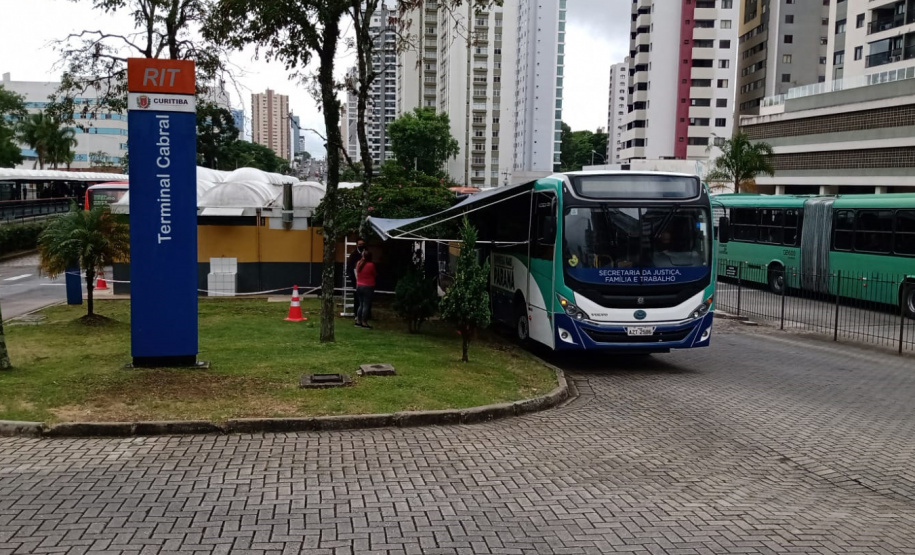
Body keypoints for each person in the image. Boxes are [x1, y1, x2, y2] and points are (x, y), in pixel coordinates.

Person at [355, 251, 376, 329]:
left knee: (361, 304)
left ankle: (358, 321)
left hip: (359, 285)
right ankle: (364, 322)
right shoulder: (371, 265)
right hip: (368, 286)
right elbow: (374, 274)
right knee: (366, 305)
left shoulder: (358, 263)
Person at [347, 238, 366, 320]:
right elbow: (350, 267)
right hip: (356, 279)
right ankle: (357, 314)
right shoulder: (354, 254)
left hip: (366, 279)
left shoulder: (366, 252)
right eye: (359, 244)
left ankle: (365, 314)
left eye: (362, 244)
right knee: (357, 296)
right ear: (357, 245)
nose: (361, 246)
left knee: (365, 297)